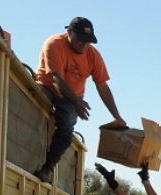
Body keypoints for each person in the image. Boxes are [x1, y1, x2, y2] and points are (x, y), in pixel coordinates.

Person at [33, 17, 126, 182]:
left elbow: (103, 87)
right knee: (36, 103)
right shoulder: (54, 44)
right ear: (69, 32)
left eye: (88, 41)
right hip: (47, 87)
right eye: (81, 39)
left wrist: (116, 116)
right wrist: (76, 102)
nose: (84, 45)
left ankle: (47, 168)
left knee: (67, 125)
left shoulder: (93, 55)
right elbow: (56, 79)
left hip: (71, 99)